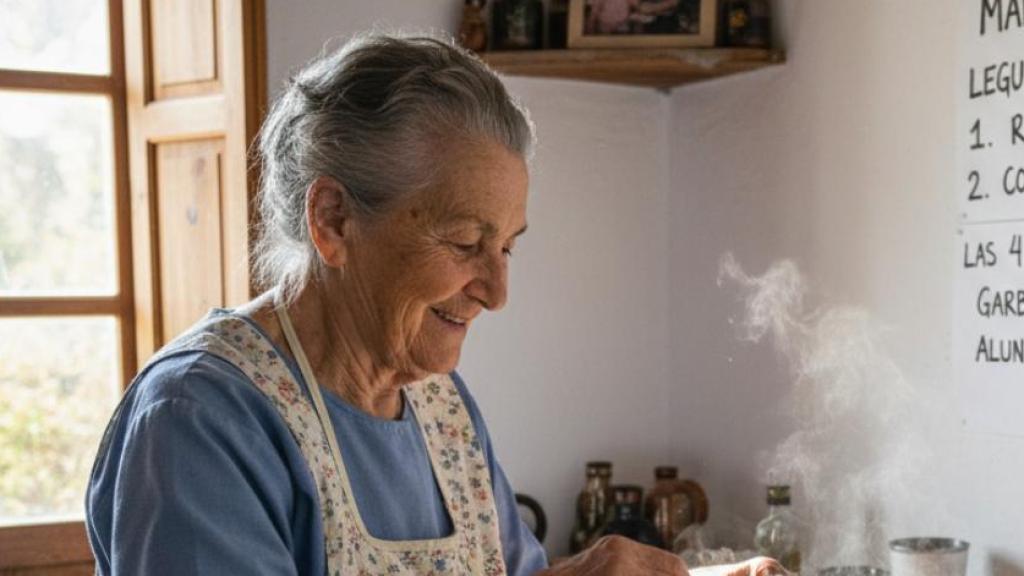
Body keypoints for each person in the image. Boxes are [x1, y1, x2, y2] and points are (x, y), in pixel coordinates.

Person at [85, 32, 785, 576]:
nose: (496, 291)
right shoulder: (199, 421)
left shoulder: (440, 408)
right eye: (463, 242)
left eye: (506, 247)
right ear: (333, 220)